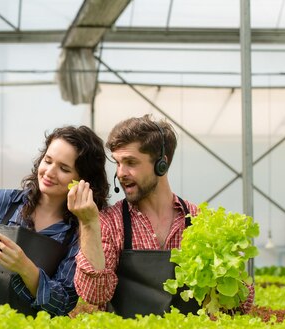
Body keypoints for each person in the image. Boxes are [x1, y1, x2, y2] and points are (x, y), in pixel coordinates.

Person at [67, 114, 254, 318]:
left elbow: (240, 305)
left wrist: (226, 278)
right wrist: (88, 224)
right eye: (118, 163)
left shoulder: (200, 221)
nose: (121, 173)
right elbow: (95, 294)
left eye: (130, 162)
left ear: (161, 164)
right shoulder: (109, 222)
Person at [0, 125, 109, 317]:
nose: (49, 172)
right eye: (47, 161)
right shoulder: (0, 202)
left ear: (82, 181)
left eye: (64, 168)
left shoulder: (79, 232)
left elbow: (63, 302)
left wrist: (25, 267)